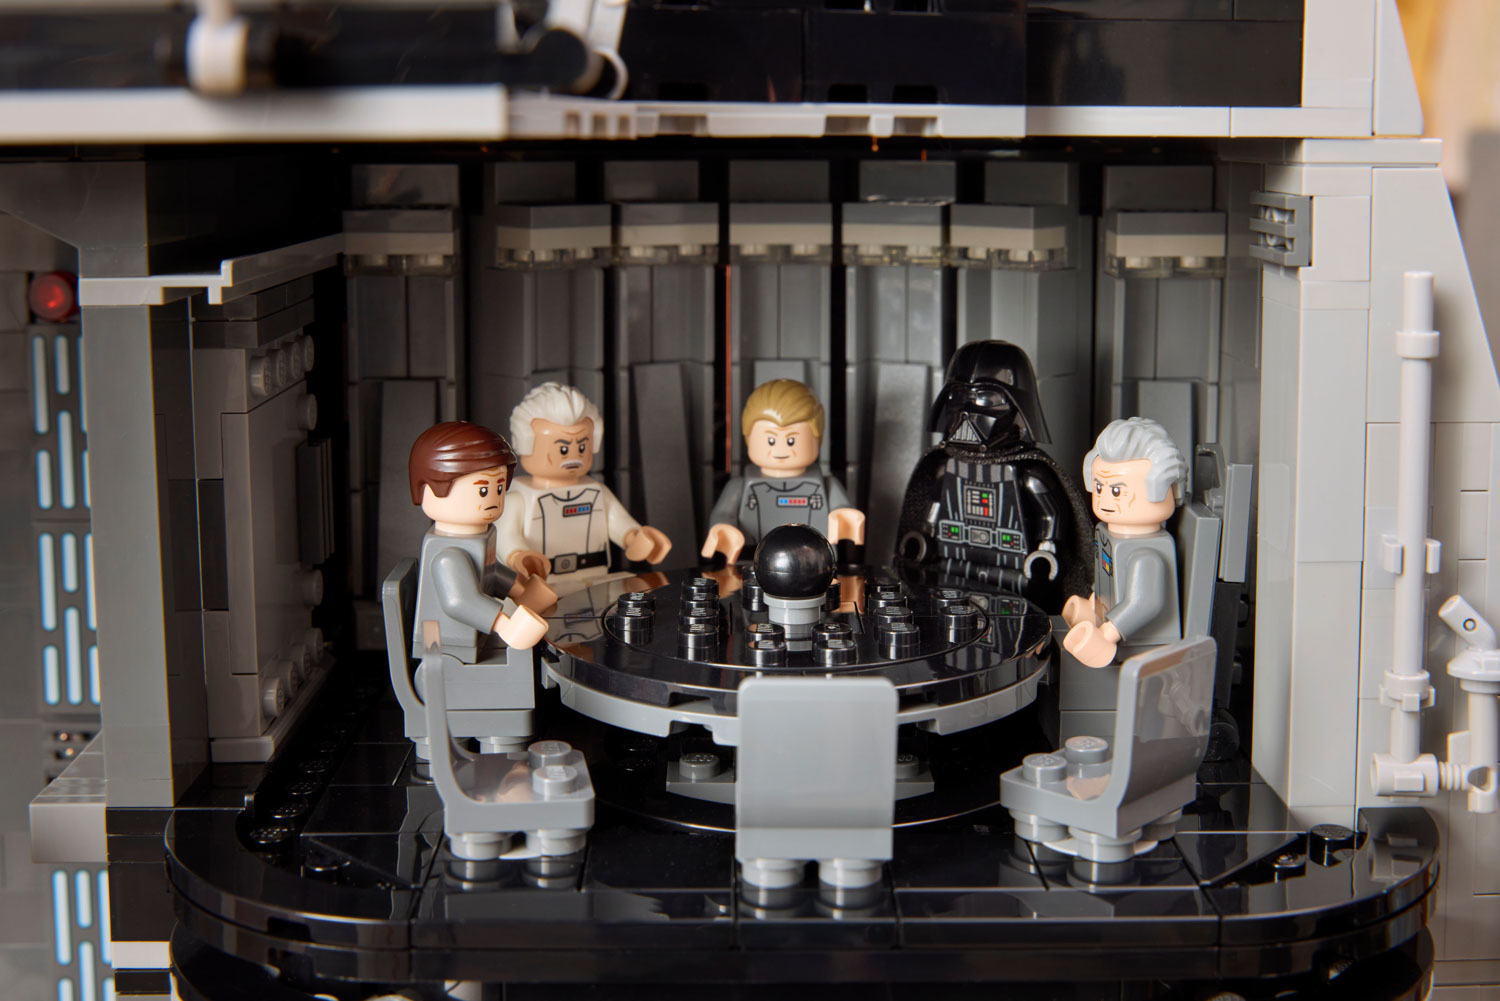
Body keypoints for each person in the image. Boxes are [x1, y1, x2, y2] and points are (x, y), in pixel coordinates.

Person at [895, 341, 1091, 611]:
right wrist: (923, 538)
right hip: (951, 570)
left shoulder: (1029, 474)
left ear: (1016, 404)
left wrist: (1046, 551)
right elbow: (934, 507)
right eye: (960, 395)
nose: (969, 410)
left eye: (985, 398)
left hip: (1014, 576)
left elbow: (1051, 515)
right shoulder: (945, 466)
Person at [497, 382, 671, 595]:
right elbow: (505, 537)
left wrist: (634, 538)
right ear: (525, 444)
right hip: (543, 586)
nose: (573, 456)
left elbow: (617, 521)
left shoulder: (597, 492)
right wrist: (518, 556)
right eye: (563, 449)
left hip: (595, 581)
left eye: (581, 447)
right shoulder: (517, 498)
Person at [407, 420, 555, 662]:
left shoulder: (480, 537)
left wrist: (521, 591)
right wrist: (505, 626)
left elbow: (490, 572)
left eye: (499, 488)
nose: (493, 498)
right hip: (443, 646)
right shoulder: (448, 554)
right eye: (483, 490)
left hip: (474, 637)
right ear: (429, 489)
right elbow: (460, 601)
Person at [1062, 417, 1187, 668]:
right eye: (1099, 488)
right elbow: (1107, 576)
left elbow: (1144, 603)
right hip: (1114, 627)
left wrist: (1107, 634)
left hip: (1142, 646)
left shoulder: (1146, 552)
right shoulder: (1108, 535)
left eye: (1117, 491)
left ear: (1163, 489)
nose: (1105, 500)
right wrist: (1094, 604)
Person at [701, 378, 865, 564]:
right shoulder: (739, 485)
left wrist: (844, 515)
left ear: (816, 438)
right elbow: (723, 513)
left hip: (814, 560)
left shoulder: (828, 484)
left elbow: (841, 508)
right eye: (771, 440)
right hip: (753, 558)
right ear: (749, 438)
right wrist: (723, 528)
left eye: (791, 441)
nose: (780, 450)